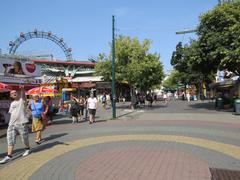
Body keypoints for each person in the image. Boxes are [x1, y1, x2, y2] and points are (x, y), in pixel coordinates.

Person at [0, 87, 31, 164]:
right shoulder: (12, 103)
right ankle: (9, 155)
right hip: (12, 124)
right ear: (10, 96)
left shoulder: (22, 101)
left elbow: (23, 96)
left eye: (15, 92)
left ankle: (27, 148)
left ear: (18, 94)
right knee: (10, 140)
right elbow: (11, 113)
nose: (14, 93)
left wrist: (22, 90)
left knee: (24, 138)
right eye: (12, 93)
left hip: (21, 123)